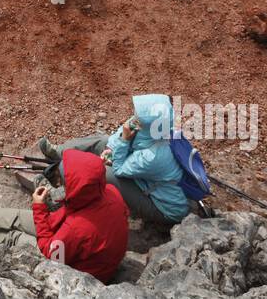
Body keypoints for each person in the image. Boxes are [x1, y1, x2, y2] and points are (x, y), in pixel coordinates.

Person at [0, 148, 129, 284]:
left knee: (15, 237)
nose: (60, 183)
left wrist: (39, 208)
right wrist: (45, 211)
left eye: (64, 182)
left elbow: (51, 252)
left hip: (76, 267)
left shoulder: (77, 229)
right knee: (21, 217)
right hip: (78, 240)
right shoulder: (109, 191)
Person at [36, 94, 191, 226]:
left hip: (164, 209)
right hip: (146, 181)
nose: (134, 117)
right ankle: (58, 153)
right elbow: (116, 138)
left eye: (138, 117)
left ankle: (62, 199)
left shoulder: (155, 156)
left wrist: (121, 144)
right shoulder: (153, 128)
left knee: (106, 174)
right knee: (103, 140)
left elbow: (119, 169)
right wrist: (110, 148)